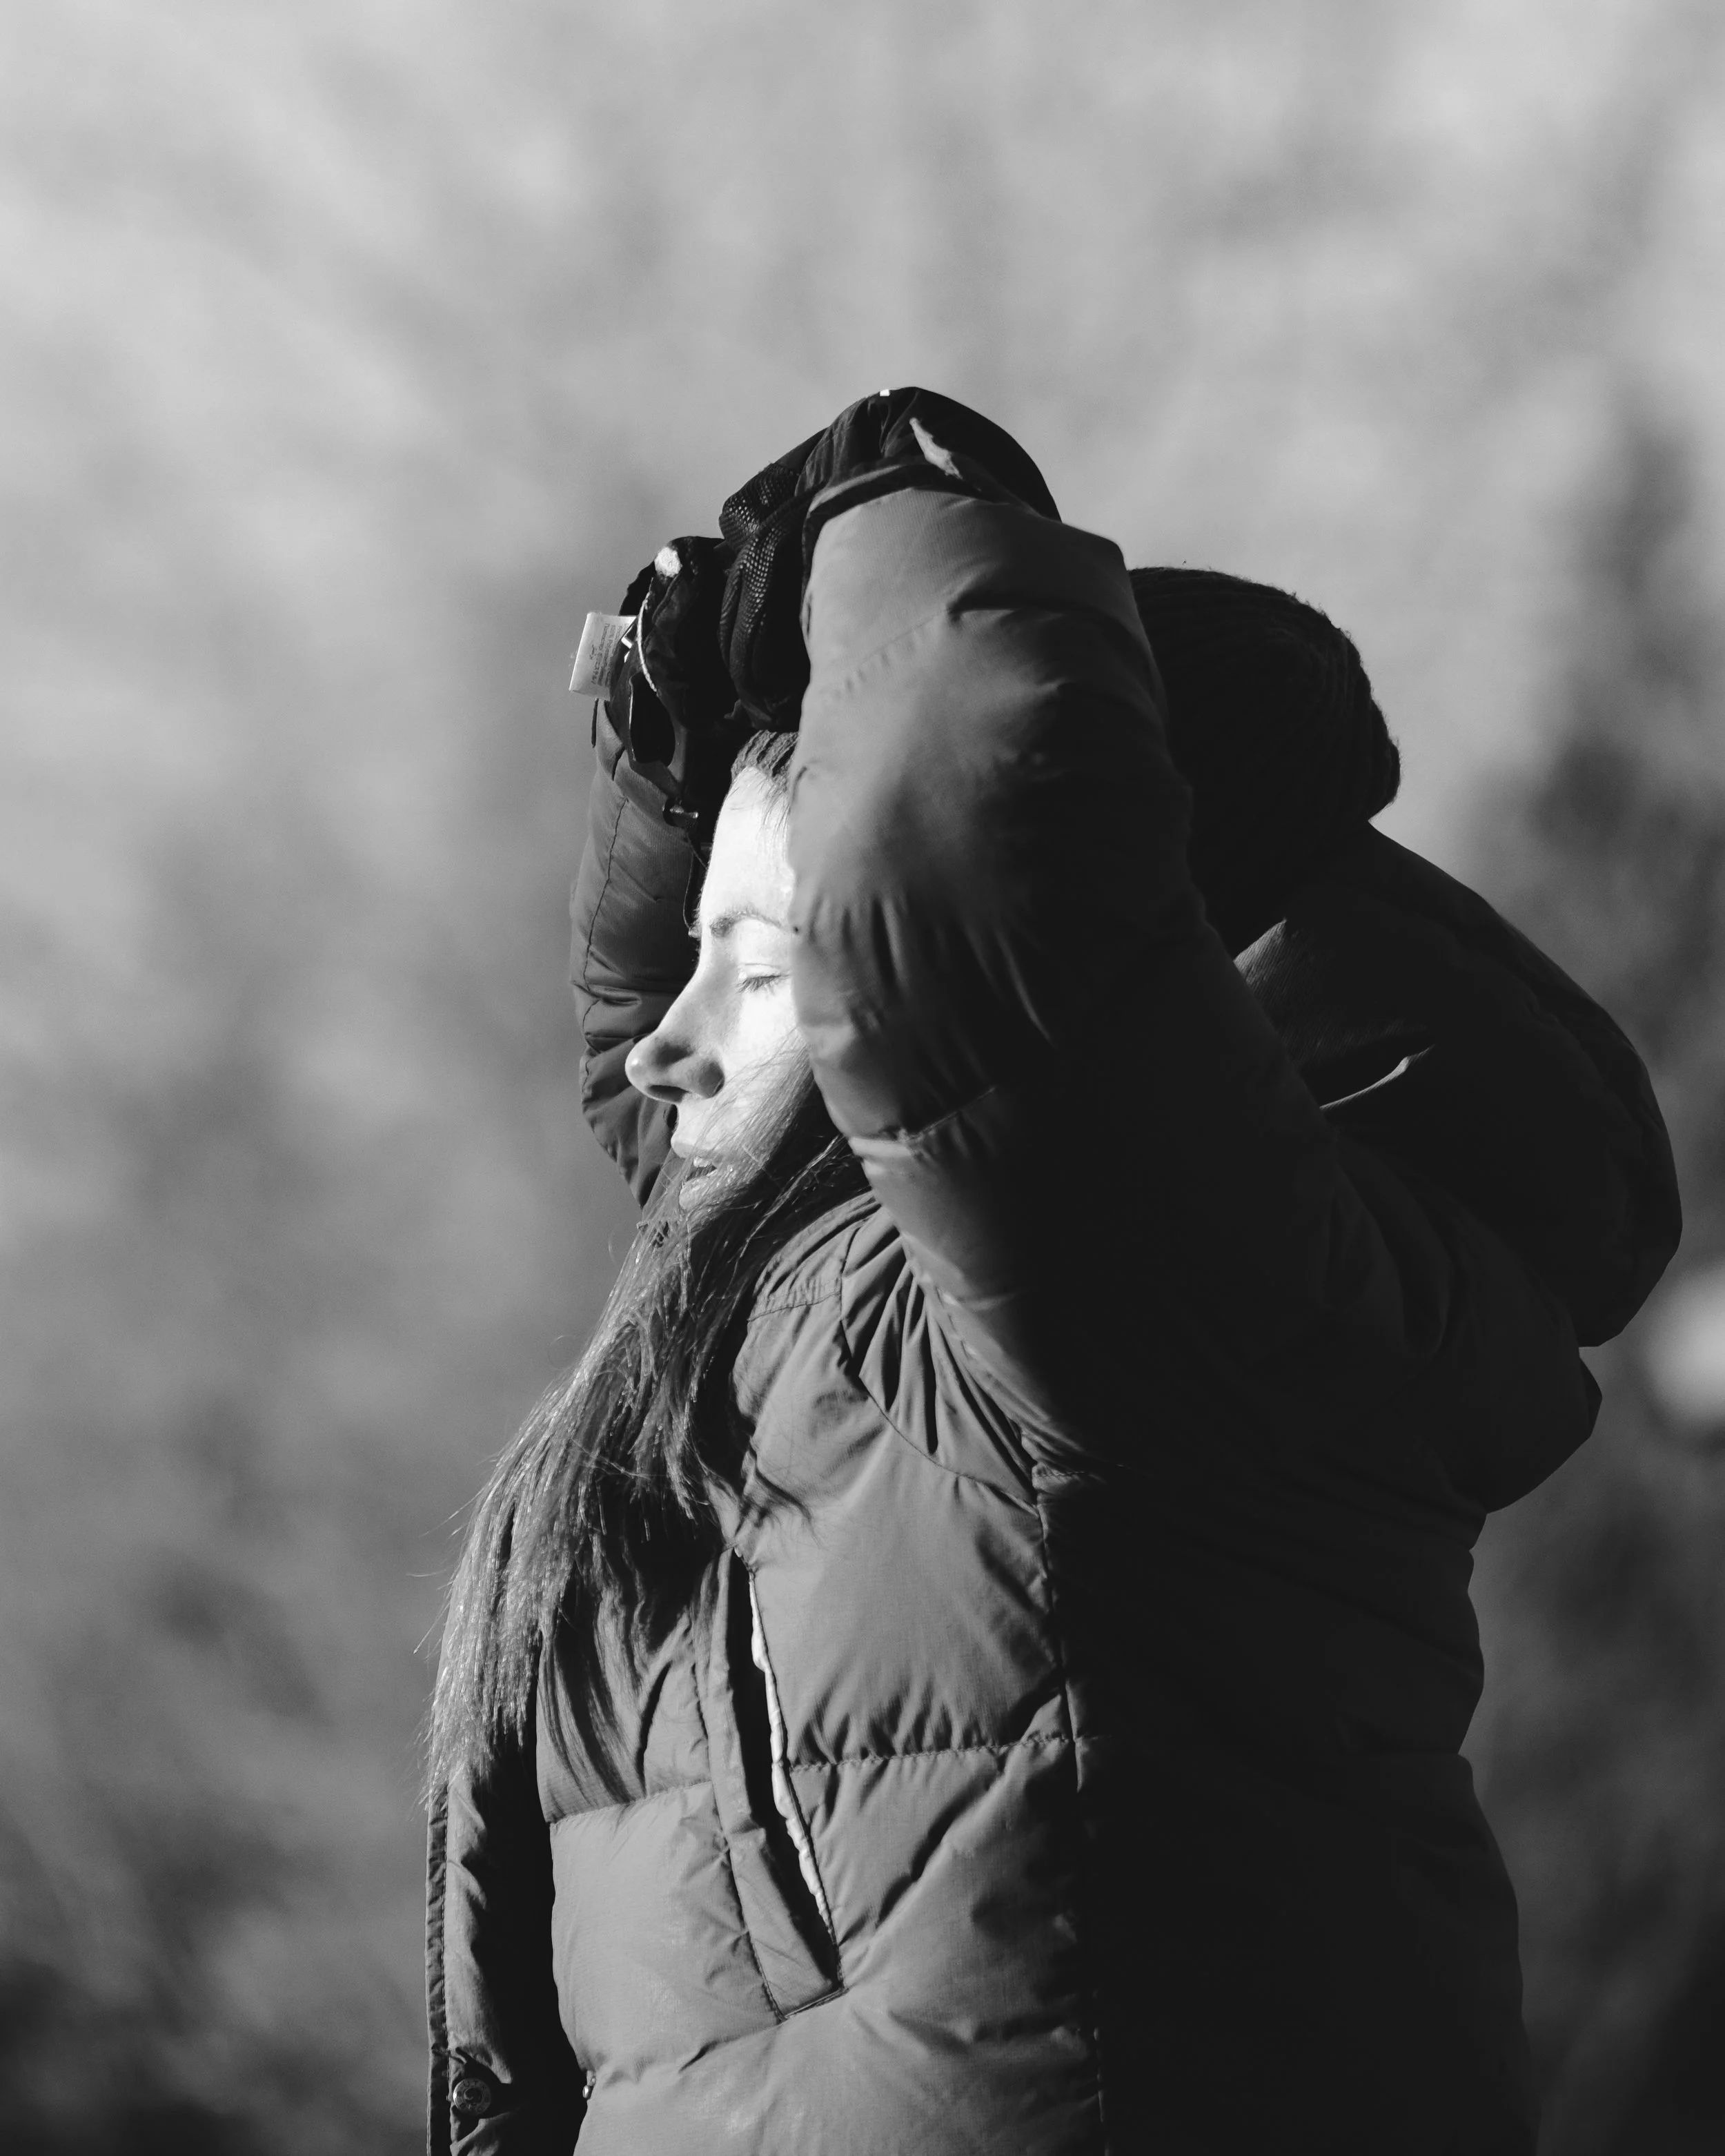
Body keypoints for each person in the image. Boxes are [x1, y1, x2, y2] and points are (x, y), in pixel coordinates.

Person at [424, 389, 1680, 2155]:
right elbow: (707, 1068)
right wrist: (675, 757)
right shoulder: (809, 1340)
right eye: (701, 965)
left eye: (761, 965)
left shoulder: (1135, 1293)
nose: (663, 1047)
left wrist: (884, 495)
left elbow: (965, 885)